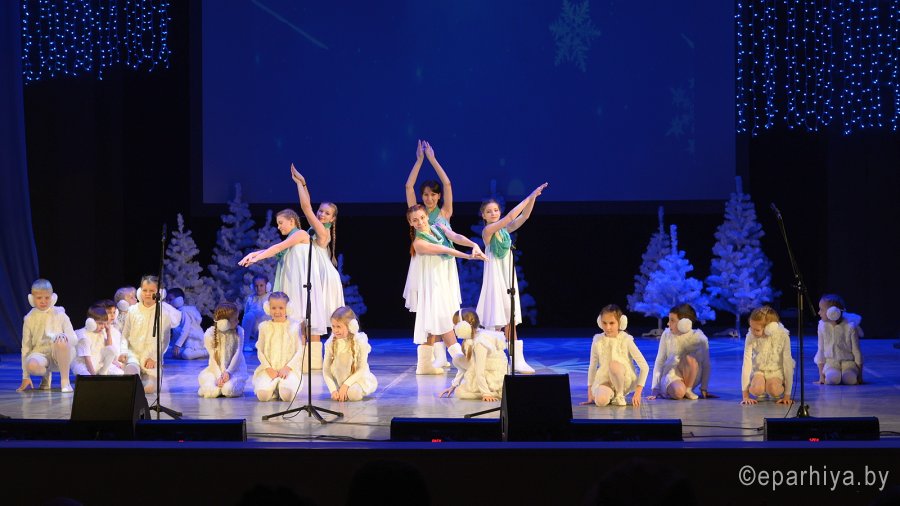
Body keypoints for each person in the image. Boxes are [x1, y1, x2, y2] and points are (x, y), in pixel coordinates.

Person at [404, 204, 484, 375]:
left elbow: (455, 237)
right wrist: (468, 256)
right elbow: (445, 249)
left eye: (422, 218)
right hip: (432, 282)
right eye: (415, 220)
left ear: (427, 216)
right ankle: (461, 358)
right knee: (441, 317)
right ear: (410, 223)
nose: (420, 222)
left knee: (432, 319)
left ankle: (424, 365)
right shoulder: (419, 243)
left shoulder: (438, 227)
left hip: (444, 279)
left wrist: (473, 244)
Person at [476, 183, 548, 374]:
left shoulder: (504, 230)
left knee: (510, 317)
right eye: (489, 211)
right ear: (483, 216)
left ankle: (517, 359)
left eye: (495, 210)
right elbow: (510, 217)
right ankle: (493, 359)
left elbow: (524, 216)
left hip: (507, 275)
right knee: (496, 316)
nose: (493, 213)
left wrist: (533, 199)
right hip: (495, 277)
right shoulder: (488, 231)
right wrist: (529, 195)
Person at [239, 209, 321, 371]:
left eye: (281, 223)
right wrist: (254, 254)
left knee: (303, 318)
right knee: (295, 319)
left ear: (292, 221)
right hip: (292, 282)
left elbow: (278, 247)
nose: (279, 227)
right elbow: (276, 249)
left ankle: (309, 361)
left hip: (301, 283)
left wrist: (256, 257)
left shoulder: (301, 234)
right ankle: (296, 360)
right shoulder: (289, 243)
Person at [291, 165, 346, 370]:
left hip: (324, 277)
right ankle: (311, 361)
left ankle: (316, 362)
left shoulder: (322, 231)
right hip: (318, 274)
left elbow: (306, 208)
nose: (321, 214)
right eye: (320, 210)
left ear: (332, 218)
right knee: (311, 316)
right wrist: (303, 184)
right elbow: (309, 207)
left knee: (316, 318)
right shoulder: (319, 229)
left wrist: (300, 184)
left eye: (326, 213)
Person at [121, 275, 182, 393]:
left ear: (159, 292)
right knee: (131, 377)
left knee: (149, 389)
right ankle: (136, 375)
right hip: (133, 354)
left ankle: (148, 377)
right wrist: (123, 351)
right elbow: (125, 334)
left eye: (152, 291)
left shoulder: (163, 314)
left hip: (152, 356)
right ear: (140, 291)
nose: (148, 294)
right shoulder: (132, 310)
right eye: (145, 290)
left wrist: (154, 358)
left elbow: (164, 341)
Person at [581, 305, 649, 407]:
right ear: (600, 322)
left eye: (612, 323)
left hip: (623, 378)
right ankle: (611, 395)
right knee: (600, 402)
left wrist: (638, 392)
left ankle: (620, 395)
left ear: (620, 323)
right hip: (605, 379)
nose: (607, 327)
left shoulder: (626, 340)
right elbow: (593, 366)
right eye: (604, 323)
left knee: (614, 365)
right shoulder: (597, 340)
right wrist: (590, 393)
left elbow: (644, 367)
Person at [17, 279, 77, 393]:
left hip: (60, 352)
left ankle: (65, 381)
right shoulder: (29, 318)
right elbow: (26, 347)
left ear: (53, 297)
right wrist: (25, 376)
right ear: (32, 299)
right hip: (40, 353)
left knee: (61, 340)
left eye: (47, 298)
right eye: (39, 298)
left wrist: (63, 337)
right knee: (32, 365)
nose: (43, 301)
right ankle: (46, 376)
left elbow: (74, 338)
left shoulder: (60, 314)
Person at [647, 304, 714, 400]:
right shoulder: (667, 335)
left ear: (684, 322)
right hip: (672, 375)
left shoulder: (699, 338)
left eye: (672, 320)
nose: (668, 323)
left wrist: (704, 388)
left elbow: (706, 365)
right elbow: (660, 361)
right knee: (678, 392)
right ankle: (678, 390)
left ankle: (688, 390)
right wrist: (655, 387)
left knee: (690, 358)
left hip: (691, 377)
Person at [439, 308, 507, 402]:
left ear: (463, 326)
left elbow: (480, 371)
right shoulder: (473, 338)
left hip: (492, 380)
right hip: (484, 374)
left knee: (462, 391)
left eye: (456, 324)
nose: (454, 328)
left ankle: (486, 390)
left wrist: (486, 393)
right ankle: (479, 387)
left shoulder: (480, 342)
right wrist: (453, 385)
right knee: (457, 358)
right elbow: (469, 362)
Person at [252, 292, 304, 402]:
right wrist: (268, 368)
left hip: (288, 370)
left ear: (287, 308)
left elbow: (299, 351)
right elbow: (260, 351)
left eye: (281, 308)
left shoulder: (294, 327)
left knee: (287, 396)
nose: (277, 311)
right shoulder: (264, 327)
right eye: (273, 308)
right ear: (268, 308)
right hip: (269, 370)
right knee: (263, 396)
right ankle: (274, 388)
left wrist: (288, 368)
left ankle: (282, 386)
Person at [740, 305, 794, 405]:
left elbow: (787, 364)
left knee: (774, 389)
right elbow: (746, 363)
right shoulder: (750, 336)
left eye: (757, 330)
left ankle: (775, 386)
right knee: (757, 389)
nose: (752, 332)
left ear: (770, 328)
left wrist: (787, 395)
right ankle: (762, 388)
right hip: (759, 371)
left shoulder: (783, 336)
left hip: (776, 371)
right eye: (751, 328)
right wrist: (745, 396)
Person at [322, 306, 377, 401]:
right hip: (340, 381)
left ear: (351, 326)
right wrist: (333, 390)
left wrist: (346, 385)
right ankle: (342, 389)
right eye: (333, 326)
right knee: (343, 394)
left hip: (358, 379)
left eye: (339, 327)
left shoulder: (360, 342)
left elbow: (362, 368)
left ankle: (354, 388)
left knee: (354, 395)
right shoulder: (330, 343)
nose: (335, 330)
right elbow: (326, 370)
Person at [198, 301, 248, 398]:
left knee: (228, 390)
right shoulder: (210, 334)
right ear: (224, 323)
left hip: (234, 370)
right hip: (215, 370)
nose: (238, 321)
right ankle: (207, 387)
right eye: (235, 319)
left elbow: (238, 353)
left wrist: (229, 372)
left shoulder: (239, 331)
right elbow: (213, 359)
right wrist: (219, 377)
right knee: (214, 392)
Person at [815, 294, 863, 385]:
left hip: (848, 363)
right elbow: (820, 351)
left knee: (849, 378)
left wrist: (859, 376)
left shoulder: (850, 327)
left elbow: (856, 351)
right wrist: (821, 376)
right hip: (831, 363)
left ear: (832, 311)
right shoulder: (822, 326)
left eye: (821, 309)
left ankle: (849, 374)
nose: (819, 312)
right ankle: (833, 374)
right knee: (832, 378)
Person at [71, 304, 126, 377]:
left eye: (104, 324)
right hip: (84, 365)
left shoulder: (101, 333)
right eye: (100, 323)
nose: (103, 327)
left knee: (120, 373)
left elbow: (109, 348)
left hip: (97, 364)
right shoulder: (83, 336)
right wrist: (95, 378)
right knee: (86, 376)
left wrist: (108, 332)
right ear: (91, 322)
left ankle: (102, 373)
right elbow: (87, 360)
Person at [167, 288, 207, 360]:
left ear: (178, 300)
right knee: (170, 352)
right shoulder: (176, 313)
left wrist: (178, 344)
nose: (168, 302)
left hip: (192, 341)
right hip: (184, 342)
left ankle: (207, 352)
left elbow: (186, 330)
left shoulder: (184, 312)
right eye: (167, 300)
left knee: (186, 355)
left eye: (170, 299)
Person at [242, 274, 270, 350]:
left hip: (267, 329)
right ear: (252, 287)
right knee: (249, 315)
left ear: (267, 286)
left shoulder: (271, 297)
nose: (259, 288)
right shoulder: (251, 298)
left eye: (261, 285)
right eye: (256, 286)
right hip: (255, 330)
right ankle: (245, 343)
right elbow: (246, 315)